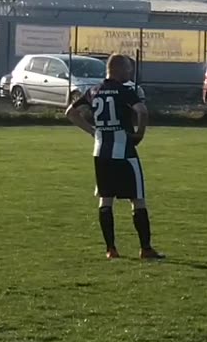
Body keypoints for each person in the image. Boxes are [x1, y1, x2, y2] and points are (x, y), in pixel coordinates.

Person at [66, 54, 163, 261]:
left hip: (100, 151)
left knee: (106, 199)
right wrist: (139, 134)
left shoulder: (93, 91)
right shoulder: (125, 91)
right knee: (137, 198)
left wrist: (92, 131)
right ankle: (145, 249)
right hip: (124, 150)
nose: (130, 72)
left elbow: (70, 113)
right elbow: (142, 112)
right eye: (128, 68)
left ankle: (111, 249)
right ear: (118, 69)